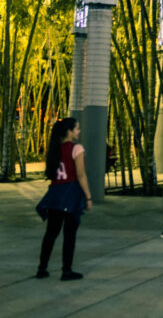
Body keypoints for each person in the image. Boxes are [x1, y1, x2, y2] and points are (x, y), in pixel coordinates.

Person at [35, 117, 91, 281]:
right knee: (69, 234)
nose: (78, 131)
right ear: (69, 131)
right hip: (71, 195)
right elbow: (80, 175)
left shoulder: (54, 148)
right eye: (77, 128)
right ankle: (66, 270)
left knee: (50, 234)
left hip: (54, 195)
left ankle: (42, 268)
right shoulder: (77, 148)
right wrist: (88, 197)